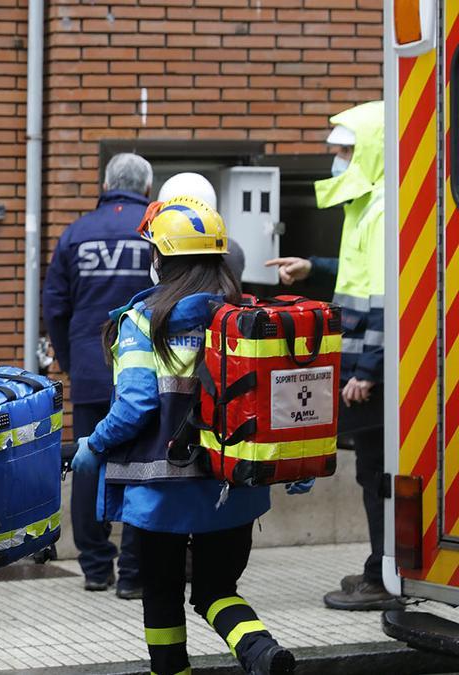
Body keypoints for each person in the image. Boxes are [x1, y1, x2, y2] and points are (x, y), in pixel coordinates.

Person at [72, 197, 311, 675]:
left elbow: (136, 404)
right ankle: (261, 650)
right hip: (234, 488)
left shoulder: (144, 322)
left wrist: (92, 446)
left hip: (161, 497)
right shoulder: (246, 316)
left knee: (162, 596)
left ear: (161, 258)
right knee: (217, 591)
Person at [264, 100, 395, 611]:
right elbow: (358, 275)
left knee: (380, 475)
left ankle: (385, 575)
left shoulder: (385, 208)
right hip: (372, 371)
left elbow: (391, 296)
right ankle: (379, 567)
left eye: (344, 151)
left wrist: (368, 370)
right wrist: (312, 267)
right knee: (372, 473)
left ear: (372, 152)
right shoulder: (368, 206)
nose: (336, 161)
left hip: (377, 376)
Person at [43, 152, 150, 598]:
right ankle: (134, 573)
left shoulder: (76, 234)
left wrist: (71, 361)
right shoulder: (156, 229)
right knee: (147, 468)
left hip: (91, 369)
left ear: (106, 184)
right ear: (147, 188)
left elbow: (55, 305)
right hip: (148, 373)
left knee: (89, 462)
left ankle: (94, 567)